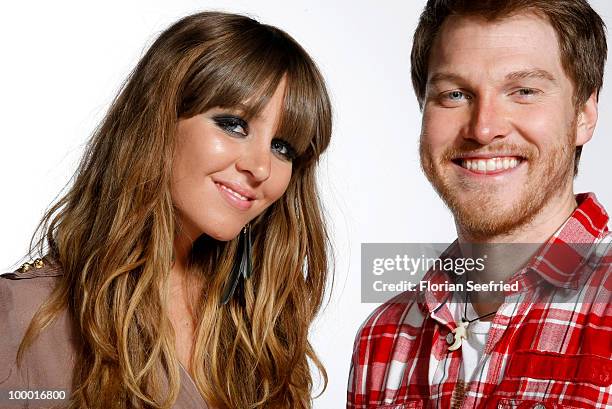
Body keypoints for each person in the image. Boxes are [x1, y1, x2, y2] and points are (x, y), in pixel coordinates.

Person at [0, 11, 332, 409]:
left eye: (282, 147)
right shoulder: (23, 317)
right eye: (233, 124)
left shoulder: (264, 333)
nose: (261, 168)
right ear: (157, 119)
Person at [348, 0, 611, 408]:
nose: (484, 128)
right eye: (455, 94)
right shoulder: (383, 339)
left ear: (585, 115)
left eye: (524, 91)